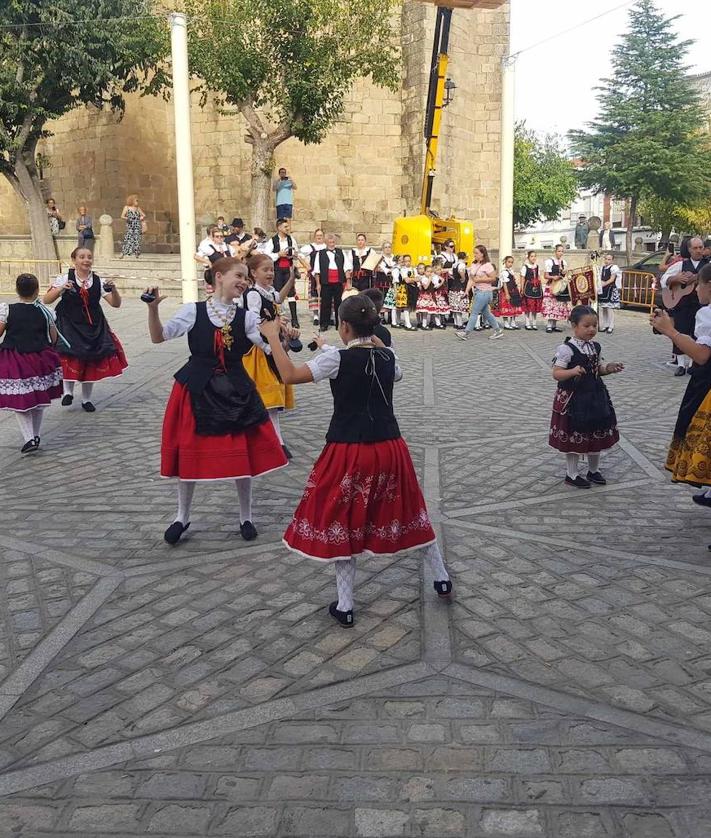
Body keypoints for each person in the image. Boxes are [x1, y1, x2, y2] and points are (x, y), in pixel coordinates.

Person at [259, 294, 452, 627]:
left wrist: (273, 337)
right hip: (390, 446)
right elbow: (393, 370)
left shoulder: (335, 359)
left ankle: (346, 604)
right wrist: (368, 341)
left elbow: (288, 375)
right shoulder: (387, 356)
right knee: (411, 510)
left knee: (342, 519)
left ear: (344, 326)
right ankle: (442, 577)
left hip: (349, 449)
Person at [146, 257, 288, 546]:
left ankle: (246, 517)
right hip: (196, 390)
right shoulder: (193, 311)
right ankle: (182, 516)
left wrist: (280, 336)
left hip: (236, 392)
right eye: (239, 275)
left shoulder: (246, 317)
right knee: (188, 453)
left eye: (246, 277)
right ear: (219, 276)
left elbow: (269, 349)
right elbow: (159, 337)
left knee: (242, 454)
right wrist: (152, 309)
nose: (244, 282)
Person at [651, 264, 711, 509]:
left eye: (699, 285)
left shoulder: (707, 313)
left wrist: (670, 332)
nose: (696, 290)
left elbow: (702, 355)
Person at [43, 247, 127, 412]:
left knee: (91, 358)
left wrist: (114, 290)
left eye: (89, 257)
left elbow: (116, 304)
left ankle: (86, 399)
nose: (86, 260)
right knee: (68, 354)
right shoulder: (64, 278)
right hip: (68, 322)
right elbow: (46, 299)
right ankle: (68, 392)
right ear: (74, 260)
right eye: (82, 257)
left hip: (92, 325)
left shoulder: (99, 281)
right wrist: (61, 289)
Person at [550, 305, 624, 488]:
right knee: (575, 434)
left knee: (595, 432)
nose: (591, 329)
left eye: (594, 325)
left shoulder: (595, 347)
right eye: (586, 325)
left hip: (595, 396)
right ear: (574, 325)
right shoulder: (566, 349)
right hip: (573, 399)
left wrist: (609, 368)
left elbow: (597, 369)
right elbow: (557, 373)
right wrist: (572, 371)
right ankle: (572, 474)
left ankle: (593, 470)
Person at [0, 274, 64, 454]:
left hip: (15, 358)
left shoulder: (7, 310)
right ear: (37, 290)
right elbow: (54, 337)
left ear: (17, 290)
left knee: (20, 398)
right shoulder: (46, 311)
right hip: (40, 357)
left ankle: (30, 438)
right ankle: (35, 436)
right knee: (38, 398)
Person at [242, 253, 298, 458]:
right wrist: (270, 339)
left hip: (272, 345)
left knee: (271, 399)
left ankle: (275, 442)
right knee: (267, 396)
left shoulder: (268, 292)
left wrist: (291, 280)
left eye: (272, 270)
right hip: (259, 350)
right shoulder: (253, 295)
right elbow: (253, 322)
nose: (270, 273)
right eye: (265, 270)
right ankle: (273, 442)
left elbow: (278, 298)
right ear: (253, 273)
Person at [660, 236, 708, 377]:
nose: (698, 250)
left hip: (702, 305)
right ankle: (681, 364)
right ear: (689, 249)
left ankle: (693, 364)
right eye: (695, 248)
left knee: (697, 333)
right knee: (680, 330)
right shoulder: (681, 264)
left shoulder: (708, 265)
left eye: (701, 247)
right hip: (682, 304)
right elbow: (664, 278)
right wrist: (675, 278)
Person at [456, 245, 504, 341]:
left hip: (484, 292)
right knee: (487, 313)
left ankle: (466, 333)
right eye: (474, 253)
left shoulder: (488, 265)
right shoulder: (474, 264)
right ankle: (498, 330)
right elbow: (471, 279)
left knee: (474, 312)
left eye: (476, 253)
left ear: (482, 254)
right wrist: (466, 290)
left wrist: (480, 280)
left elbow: (493, 278)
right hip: (478, 291)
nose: (474, 255)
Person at [312, 233, 353, 332]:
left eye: (333, 242)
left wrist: (348, 282)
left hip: (338, 281)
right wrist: (318, 284)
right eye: (330, 242)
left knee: (339, 303)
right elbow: (317, 270)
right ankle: (324, 324)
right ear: (326, 243)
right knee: (325, 304)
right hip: (326, 282)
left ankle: (339, 324)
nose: (332, 244)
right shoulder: (320, 253)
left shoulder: (341, 252)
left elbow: (346, 267)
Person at [264, 218, 300, 328]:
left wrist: (293, 254)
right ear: (279, 228)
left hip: (288, 269)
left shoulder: (291, 239)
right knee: (278, 293)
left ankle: (294, 319)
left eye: (287, 226)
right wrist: (278, 255)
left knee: (291, 293)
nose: (287, 228)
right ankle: (278, 318)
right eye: (285, 226)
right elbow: (266, 255)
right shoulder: (273, 240)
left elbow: (296, 252)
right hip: (278, 270)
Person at [300, 229, 328, 326]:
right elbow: (299, 255)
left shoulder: (326, 247)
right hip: (313, 274)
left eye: (321, 235)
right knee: (314, 293)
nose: (319, 237)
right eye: (317, 235)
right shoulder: (310, 247)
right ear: (314, 237)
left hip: (325, 274)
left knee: (326, 294)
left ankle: (327, 315)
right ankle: (316, 315)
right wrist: (307, 267)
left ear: (323, 237)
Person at [543, 244, 571, 333]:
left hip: (560, 286)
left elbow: (564, 275)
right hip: (552, 285)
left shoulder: (563, 262)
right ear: (555, 251)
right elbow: (545, 275)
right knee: (551, 305)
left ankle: (554, 325)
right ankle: (549, 325)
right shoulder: (549, 261)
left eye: (562, 251)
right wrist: (553, 277)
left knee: (558, 305)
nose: (560, 253)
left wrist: (564, 274)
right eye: (559, 251)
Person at [494, 256, 523, 330]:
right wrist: (507, 294)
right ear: (505, 262)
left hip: (514, 290)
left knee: (514, 306)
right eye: (509, 262)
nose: (510, 264)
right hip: (507, 291)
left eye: (512, 262)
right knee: (506, 307)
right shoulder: (504, 272)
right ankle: (506, 323)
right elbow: (504, 283)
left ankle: (513, 322)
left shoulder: (511, 271)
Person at [597, 253, 622, 333]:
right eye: (606, 259)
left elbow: (612, 279)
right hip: (603, 290)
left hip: (610, 289)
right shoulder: (602, 268)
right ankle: (604, 325)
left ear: (612, 260)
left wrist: (603, 284)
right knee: (602, 308)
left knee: (609, 308)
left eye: (609, 259)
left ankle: (611, 326)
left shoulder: (614, 268)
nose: (607, 261)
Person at [521, 250, 543, 330]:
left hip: (536, 288)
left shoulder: (537, 267)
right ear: (528, 257)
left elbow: (539, 277)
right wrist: (522, 288)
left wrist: (540, 287)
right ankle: (527, 323)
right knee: (528, 306)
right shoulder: (525, 267)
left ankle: (534, 323)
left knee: (535, 306)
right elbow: (522, 278)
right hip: (528, 288)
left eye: (535, 256)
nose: (533, 258)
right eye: (532, 256)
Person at [394, 255, 417, 330]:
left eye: (409, 261)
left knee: (410, 306)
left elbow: (418, 278)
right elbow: (406, 280)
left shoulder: (413, 269)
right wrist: (414, 279)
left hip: (413, 289)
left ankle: (406, 322)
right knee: (406, 306)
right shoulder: (402, 269)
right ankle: (408, 324)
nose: (408, 263)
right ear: (403, 262)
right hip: (405, 289)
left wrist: (412, 279)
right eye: (406, 261)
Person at [448, 253, 469, 330]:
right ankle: (459, 324)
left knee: (455, 307)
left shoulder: (454, 264)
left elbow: (450, 273)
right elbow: (461, 271)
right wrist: (463, 278)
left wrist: (455, 278)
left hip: (454, 286)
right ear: (465, 257)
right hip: (460, 287)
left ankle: (456, 323)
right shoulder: (462, 264)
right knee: (459, 307)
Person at [416, 264, 437, 330]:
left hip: (429, 296)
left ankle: (425, 323)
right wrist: (430, 279)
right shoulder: (423, 278)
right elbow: (425, 287)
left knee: (427, 311)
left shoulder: (430, 278)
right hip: (424, 297)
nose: (429, 273)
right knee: (424, 311)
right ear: (424, 272)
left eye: (431, 272)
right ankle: (423, 325)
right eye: (428, 271)